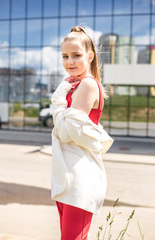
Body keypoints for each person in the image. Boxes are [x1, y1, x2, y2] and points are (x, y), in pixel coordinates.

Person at [51, 26, 114, 240]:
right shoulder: (74, 86)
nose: (70, 62)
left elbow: (67, 132)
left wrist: (59, 95)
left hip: (80, 181)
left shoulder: (87, 84)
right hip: (67, 178)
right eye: (65, 56)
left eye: (76, 55)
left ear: (90, 56)